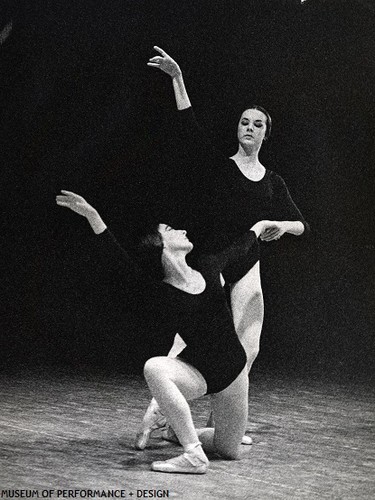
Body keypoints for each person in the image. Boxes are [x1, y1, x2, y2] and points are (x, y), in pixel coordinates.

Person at [136, 46, 310, 447]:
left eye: (257, 124)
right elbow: (189, 127)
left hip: (248, 265)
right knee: (188, 346)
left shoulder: (273, 181)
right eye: (244, 123)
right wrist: (178, 79)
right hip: (212, 264)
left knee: (248, 348)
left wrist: (279, 226)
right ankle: (156, 416)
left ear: (267, 132)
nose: (249, 128)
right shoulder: (221, 166)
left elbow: (302, 225)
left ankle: (226, 422)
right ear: (238, 129)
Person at [56, 189, 277, 474]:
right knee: (155, 367)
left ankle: (176, 431)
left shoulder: (208, 266)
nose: (182, 230)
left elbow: (239, 248)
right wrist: (93, 216)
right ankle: (193, 455)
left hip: (234, 371)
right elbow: (119, 262)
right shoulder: (159, 292)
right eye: (172, 229)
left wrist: (259, 227)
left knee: (229, 451)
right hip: (200, 372)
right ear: (160, 245)